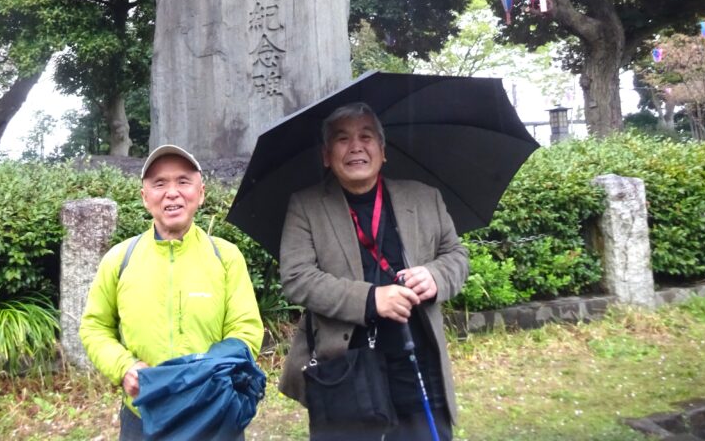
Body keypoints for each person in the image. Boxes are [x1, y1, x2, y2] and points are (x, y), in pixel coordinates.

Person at [279, 102, 469, 440]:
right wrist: (370, 299)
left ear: (382, 151)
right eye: (342, 139)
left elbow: (456, 255)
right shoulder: (306, 206)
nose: (356, 147)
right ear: (326, 155)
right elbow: (297, 277)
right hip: (346, 370)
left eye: (366, 136)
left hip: (417, 360)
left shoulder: (424, 198)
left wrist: (436, 276)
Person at [79, 144, 265, 441]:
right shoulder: (120, 259)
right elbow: (94, 326)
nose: (172, 193)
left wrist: (202, 376)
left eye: (183, 181)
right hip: (144, 415)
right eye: (160, 183)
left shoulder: (226, 257)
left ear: (200, 193)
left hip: (214, 411)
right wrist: (124, 367)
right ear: (145, 197)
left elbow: (246, 329)